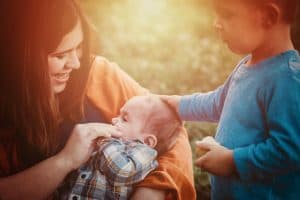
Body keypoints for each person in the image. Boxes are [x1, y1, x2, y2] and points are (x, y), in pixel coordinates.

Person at [0, 1, 196, 200]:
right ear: (22, 58)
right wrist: (65, 161)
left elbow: (173, 133)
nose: (76, 64)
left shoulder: (97, 74)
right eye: (60, 55)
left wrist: (150, 192)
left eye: (78, 47)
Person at [162, 0, 300, 199]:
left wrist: (232, 162)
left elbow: (289, 149)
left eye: (226, 14)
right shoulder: (248, 64)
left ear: (268, 17)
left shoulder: (287, 79)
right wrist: (180, 104)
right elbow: (220, 102)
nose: (216, 23)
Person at [62, 95, 182, 200]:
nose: (114, 120)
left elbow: (121, 171)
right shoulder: (116, 145)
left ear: (147, 141)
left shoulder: (144, 153)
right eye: (119, 114)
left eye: (124, 119)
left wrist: (104, 140)